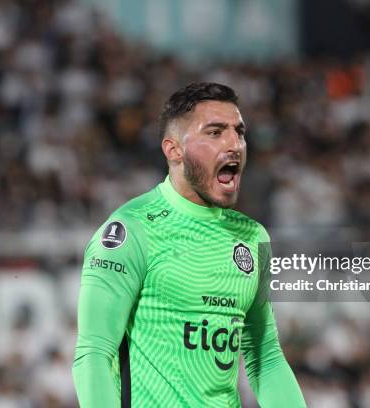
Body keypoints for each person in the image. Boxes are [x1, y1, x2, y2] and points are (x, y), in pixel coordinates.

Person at [72, 82, 306, 407]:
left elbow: (265, 357)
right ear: (174, 150)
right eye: (215, 132)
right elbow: (94, 353)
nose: (234, 144)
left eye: (239, 132)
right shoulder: (130, 230)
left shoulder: (253, 238)